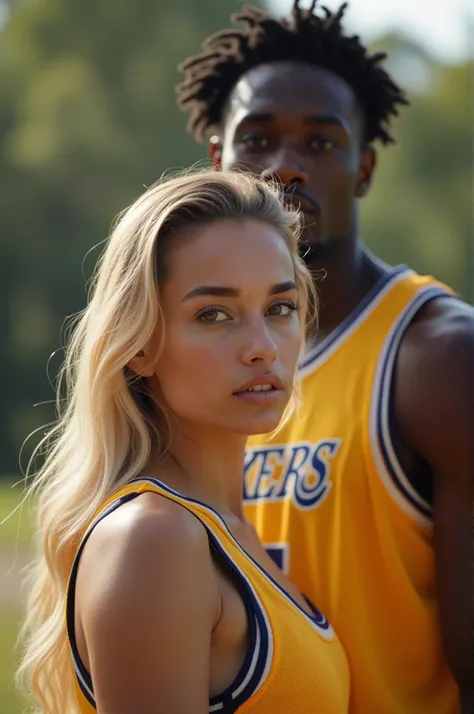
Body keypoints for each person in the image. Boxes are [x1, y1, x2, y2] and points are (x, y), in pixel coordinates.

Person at [176, 3, 474, 713]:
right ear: (217, 159)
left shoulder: (438, 357)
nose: (285, 166)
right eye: (258, 140)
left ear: (363, 168)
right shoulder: (178, 364)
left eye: (320, 143)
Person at [17, 170, 351, 714]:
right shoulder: (153, 539)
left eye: (279, 307)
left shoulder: (231, 530)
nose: (263, 346)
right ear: (140, 346)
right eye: (213, 314)